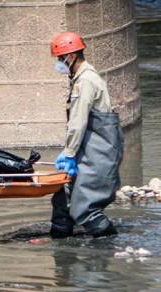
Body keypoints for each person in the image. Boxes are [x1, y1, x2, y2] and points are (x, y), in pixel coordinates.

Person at [49, 32, 124, 238]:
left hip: (100, 150)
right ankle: (59, 241)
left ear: (71, 57)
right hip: (88, 146)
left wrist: (70, 153)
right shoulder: (79, 78)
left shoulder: (86, 81)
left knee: (85, 208)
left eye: (59, 58)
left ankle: (110, 244)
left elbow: (78, 121)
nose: (58, 63)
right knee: (62, 195)